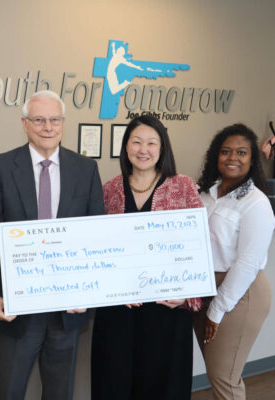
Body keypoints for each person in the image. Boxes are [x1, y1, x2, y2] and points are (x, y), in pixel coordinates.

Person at [0, 90, 104, 400]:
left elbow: (95, 236)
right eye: (38, 120)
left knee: (60, 391)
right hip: (15, 305)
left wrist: (88, 291)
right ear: (24, 124)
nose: (47, 127)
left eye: (54, 120)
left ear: (63, 123)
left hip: (66, 307)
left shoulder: (85, 169)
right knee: (9, 390)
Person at [91, 115, 203, 400]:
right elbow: (97, 248)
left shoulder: (184, 186)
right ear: (126, 147)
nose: (143, 150)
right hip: (119, 312)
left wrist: (188, 295)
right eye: (136, 142)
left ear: (162, 148)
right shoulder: (109, 189)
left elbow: (200, 247)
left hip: (166, 312)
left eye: (152, 143)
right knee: (113, 383)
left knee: (161, 387)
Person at [194, 123, 275, 400]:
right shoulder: (205, 194)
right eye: (226, 151)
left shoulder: (256, 202)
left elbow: (248, 263)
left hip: (240, 293)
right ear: (215, 156)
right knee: (217, 372)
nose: (232, 158)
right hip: (204, 290)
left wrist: (217, 309)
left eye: (241, 152)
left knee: (224, 378)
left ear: (252, 160)